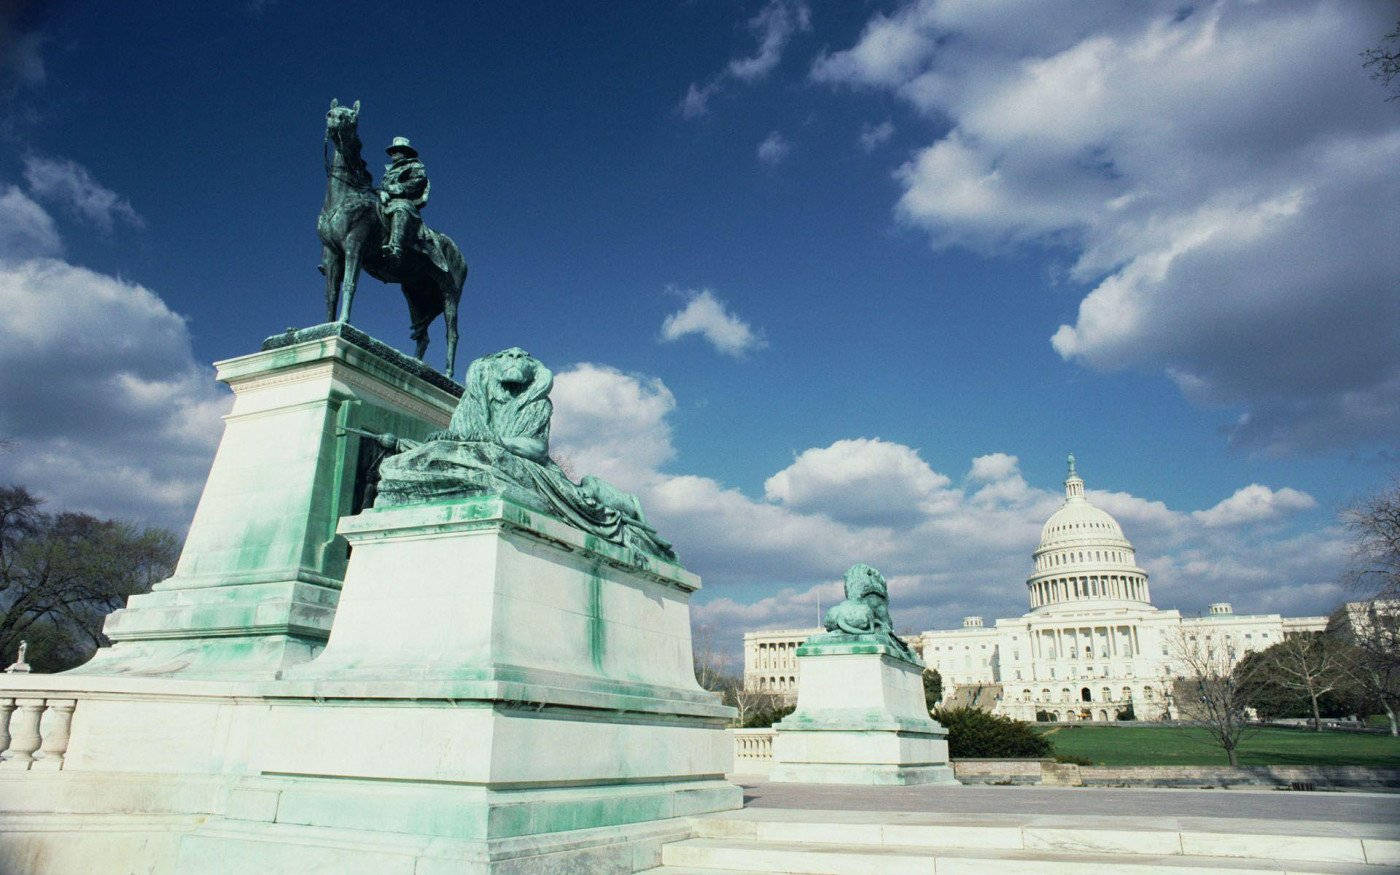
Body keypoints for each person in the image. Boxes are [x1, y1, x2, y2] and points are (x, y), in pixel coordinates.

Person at [380, 136, 429, 262]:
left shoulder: (416, 165)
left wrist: (393, 189)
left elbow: (417, 182)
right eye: (392, 151)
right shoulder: (389, 170)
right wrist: (381, 192)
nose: (393, 153)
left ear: (406, 152)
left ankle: (395, 248)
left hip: (406, 201)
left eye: (397, 150)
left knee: (400, 208)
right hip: (385, 200)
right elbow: (382, 186)